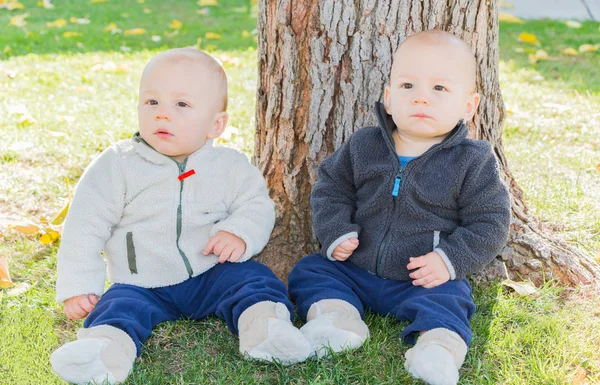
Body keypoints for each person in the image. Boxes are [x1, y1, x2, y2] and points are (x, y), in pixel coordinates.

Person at [50, 48, 310, 385]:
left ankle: (266, 329)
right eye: (152, 102)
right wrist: (78, 286)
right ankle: (102, 354)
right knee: (117, 309)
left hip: (212, 272)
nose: (162, 115)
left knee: (255, 281)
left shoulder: (229, 166)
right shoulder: (117, 165)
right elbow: (84, 226)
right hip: (141, 281)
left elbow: (256, 205)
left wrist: (239, 232)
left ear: (216, 124)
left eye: (182, 105)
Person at [288, 30, 511, 385]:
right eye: (408, 86)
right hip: (354, 267)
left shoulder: (473, 161)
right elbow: (332, 189)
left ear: (468, 105)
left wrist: (449, 259)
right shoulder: (365, 145)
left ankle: (437, 349)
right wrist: (336, 231)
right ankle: (336, 318)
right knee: (311, 270)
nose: (421, 99)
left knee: (451, 298)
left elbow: (491, 222)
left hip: (421, 277)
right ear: (389, 98)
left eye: (439, 89)